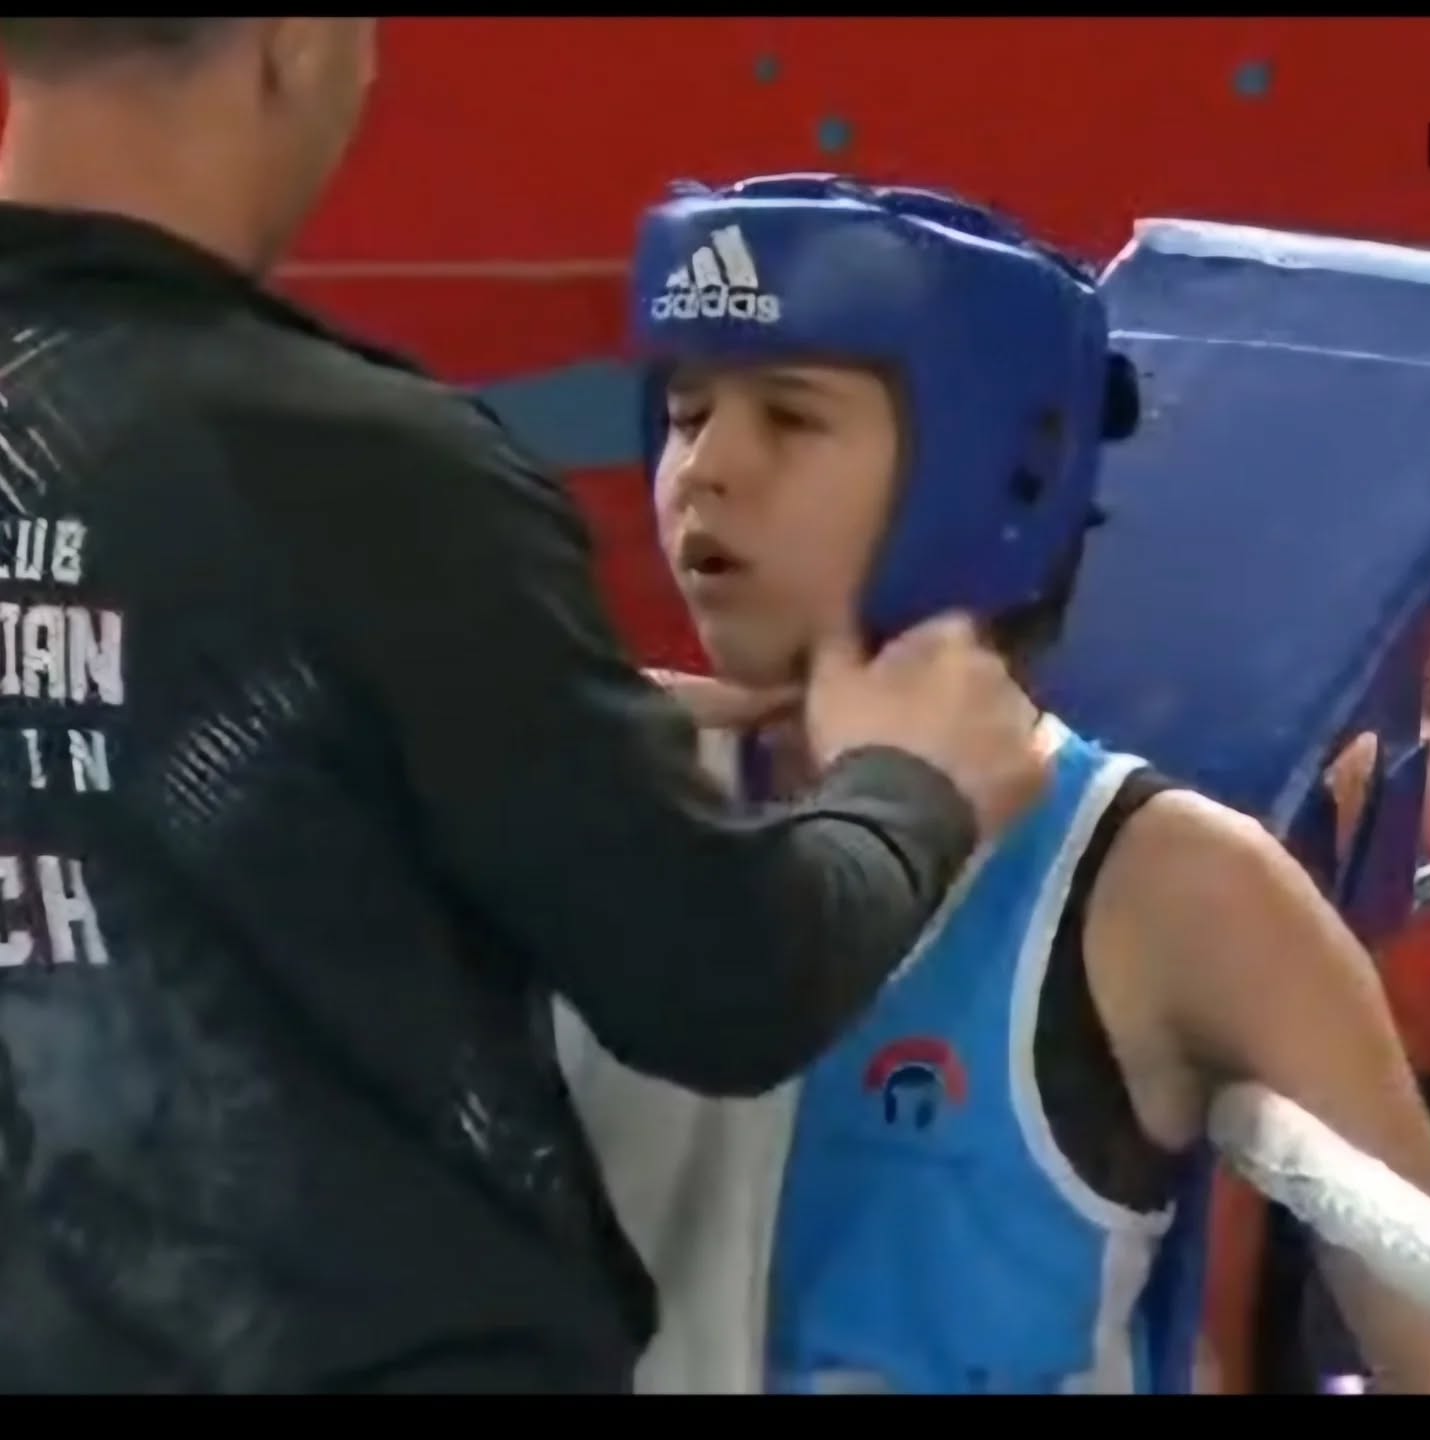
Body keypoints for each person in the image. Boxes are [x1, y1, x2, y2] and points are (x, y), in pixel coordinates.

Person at [0, 23, 1049, 1393]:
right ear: (293, 43)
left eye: (790, 418)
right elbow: (724, 983)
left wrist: (492, 728)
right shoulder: (356, 471)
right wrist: (909, 788)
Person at [560, 174, 1430, 1394]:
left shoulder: (1173, 885)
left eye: (790, 418)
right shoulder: (578, 796)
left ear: (987, 463)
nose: (703, 469)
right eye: (688, 412)